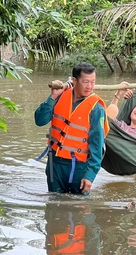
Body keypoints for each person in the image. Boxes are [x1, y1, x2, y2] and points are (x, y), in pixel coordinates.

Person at [35, 62, 107, 195]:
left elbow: (97, 146)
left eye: (93, 82)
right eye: (85, 82)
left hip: (79, 167)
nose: (89, 86)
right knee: (53, 206)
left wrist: (90, 175)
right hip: (54, 163)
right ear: (74, 80)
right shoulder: (60, 95)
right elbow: (39, 121)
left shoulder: (96, 109)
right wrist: (53, 97)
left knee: (80, 209)